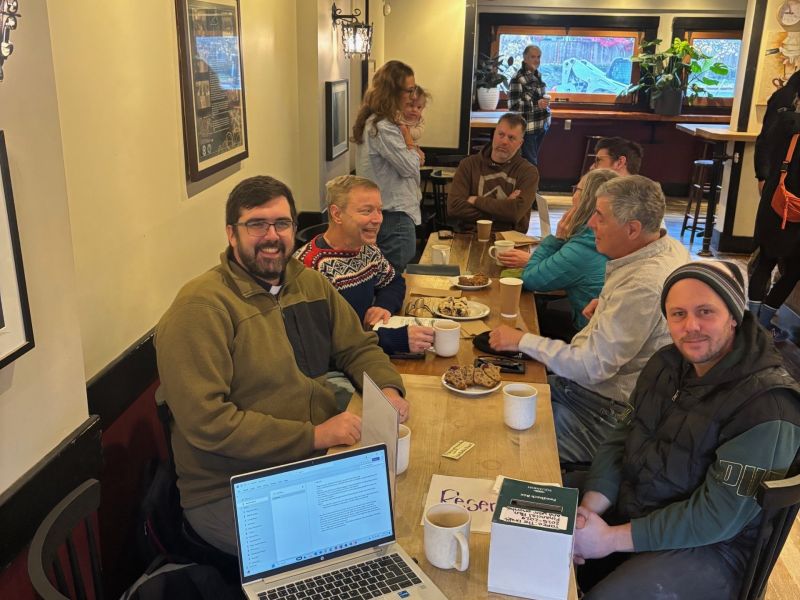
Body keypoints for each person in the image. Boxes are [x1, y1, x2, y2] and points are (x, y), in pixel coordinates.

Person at [155, 175, 409, 556]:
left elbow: (357, 346)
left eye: (282, 223)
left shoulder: (308, 283)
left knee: (399, 517)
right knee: (356, 549)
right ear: (231, 233)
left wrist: (388, 389)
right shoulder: (201, 308)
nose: (271, 235)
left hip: (310, 463)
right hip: (232, 488)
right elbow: (208, 423)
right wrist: (314, 436)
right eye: (256, 224)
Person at [572, 261, 800, 599]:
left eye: (705, 311)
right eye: (677, 314)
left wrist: (609, 539)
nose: (691, 326)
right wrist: (589, 512)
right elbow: (622, 437)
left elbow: (718, 517)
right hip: (643, 501)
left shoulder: (768, 405)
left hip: (716, 550)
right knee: (530, 513)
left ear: (734, 316)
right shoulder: (666, 364)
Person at [489, 175, 690, 464]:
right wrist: (608, 303)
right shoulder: (665, 247)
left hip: (604, 412)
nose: (591, 223)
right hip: (593, 394)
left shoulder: (643, 285)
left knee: (504, 442)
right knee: (497, 397)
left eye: (600, 216)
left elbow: (591, 367)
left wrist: (522, 339)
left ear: (632, 229)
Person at [295, 175, 435, 355]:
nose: (378, 219)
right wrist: (394, 339)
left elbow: (394, 281)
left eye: (379, 210)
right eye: (366, 211)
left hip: (366, 350)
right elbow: (321, 341)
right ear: (337, 214)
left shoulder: (367, 249)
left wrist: (382, 306)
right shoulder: (311, 266)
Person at [498, 169, 619, 341]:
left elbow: (530, 279)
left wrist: (557, 239)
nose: (573, 194)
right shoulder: (607, 237)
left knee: (521, 319)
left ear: (587, 198)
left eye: (576, 189)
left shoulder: (585, 246)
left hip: (588, 334)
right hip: (604, 327)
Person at [353, 60, 422, 272]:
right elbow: (410, 167)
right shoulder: (384, 127)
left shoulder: (376, 122)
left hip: (389, 215)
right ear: (394, 92)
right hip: (394, 219)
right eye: (409, 91)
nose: (412, 97)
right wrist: (410, 142)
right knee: (393, 284)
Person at [747, 70, 800, 342]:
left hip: (776, 194)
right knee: (795, 268)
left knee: (765, 258)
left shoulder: (783, 99)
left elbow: (763, 141)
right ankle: (765, 324)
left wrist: (762, 175)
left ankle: (751, 324)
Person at [447, 112, 540, 233]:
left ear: (520, 143)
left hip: (510, 240)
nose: (504, 141)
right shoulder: (468, 165)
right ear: (494, 135)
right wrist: (504, 208)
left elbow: (515, 213)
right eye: (501, 134)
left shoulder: (528, 172)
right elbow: (454, 208)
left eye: (511, 138)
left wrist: (476, 201)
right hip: (469, 235)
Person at [508, 44, 551, 166]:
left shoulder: (538, 75)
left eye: (539, 57)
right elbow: (514, 106)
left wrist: (544, 103)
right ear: (525, 58)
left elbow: (540, 99)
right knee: (530, 163)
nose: (537, 60)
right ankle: (532, 185)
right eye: (533, 57)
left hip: (541, 125)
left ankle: (528, 184)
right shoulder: (517, 78)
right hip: (528, 128)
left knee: (531, 161)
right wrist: (536, 104)